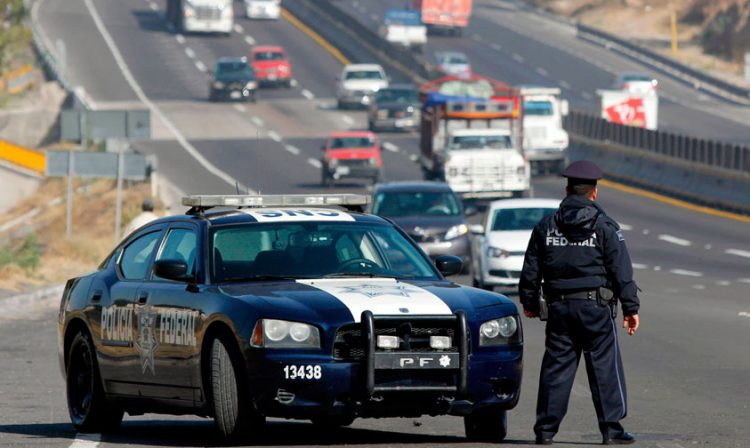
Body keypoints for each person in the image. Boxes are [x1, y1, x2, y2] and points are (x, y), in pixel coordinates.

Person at [519, 160, 640, 445]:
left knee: (556, 370)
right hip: (595, 309)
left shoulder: (546, 226)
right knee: (604, 369)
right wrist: (631, 308)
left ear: (567, 190)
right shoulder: (606, 226)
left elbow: (530, 269)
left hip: (559, 308)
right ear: (594, 193)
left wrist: (529, 302)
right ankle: (612, 431)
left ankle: (545, 432)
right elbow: (621, 270)